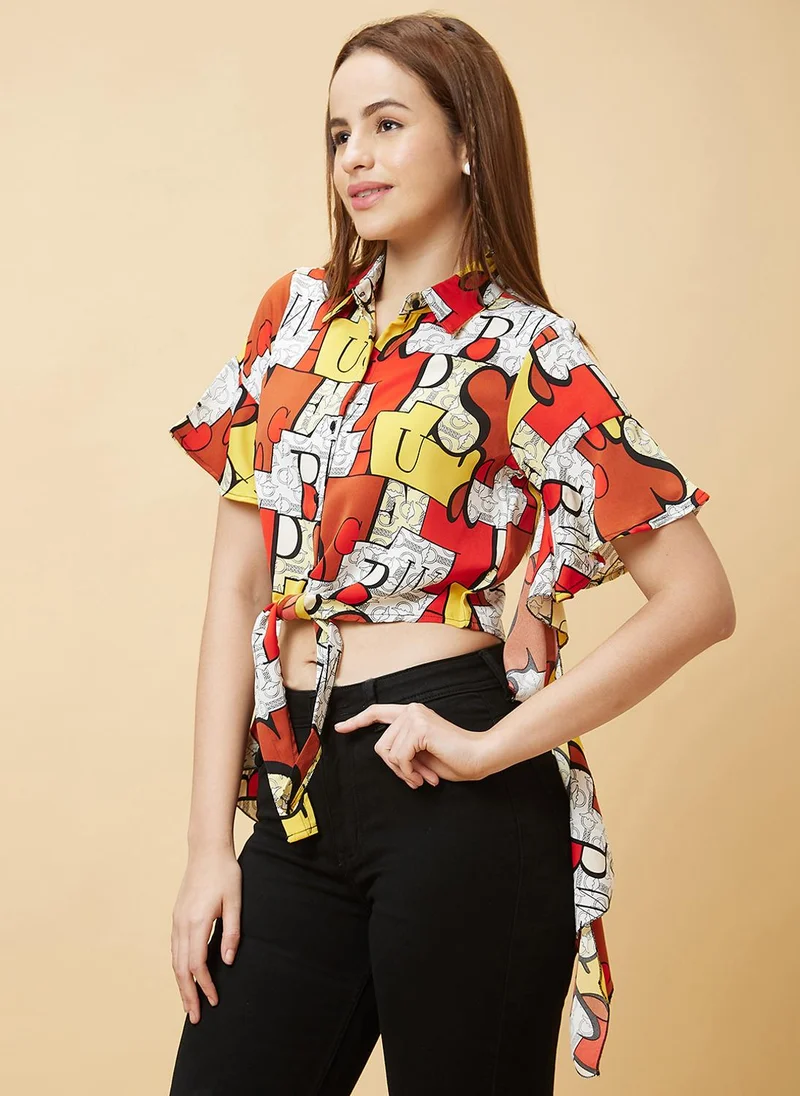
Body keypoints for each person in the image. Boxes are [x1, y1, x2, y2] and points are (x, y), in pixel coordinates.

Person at [166, 13, 734, 1095]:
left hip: (455, 787)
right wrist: (206, 848)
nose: (355, 158)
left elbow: (697, 596)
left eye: (387, 125)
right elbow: (236, 586)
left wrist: (488, 749)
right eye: (340, 134)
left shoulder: (525, 347)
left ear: (467, 139)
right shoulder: (292, 317)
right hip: (297, 786)